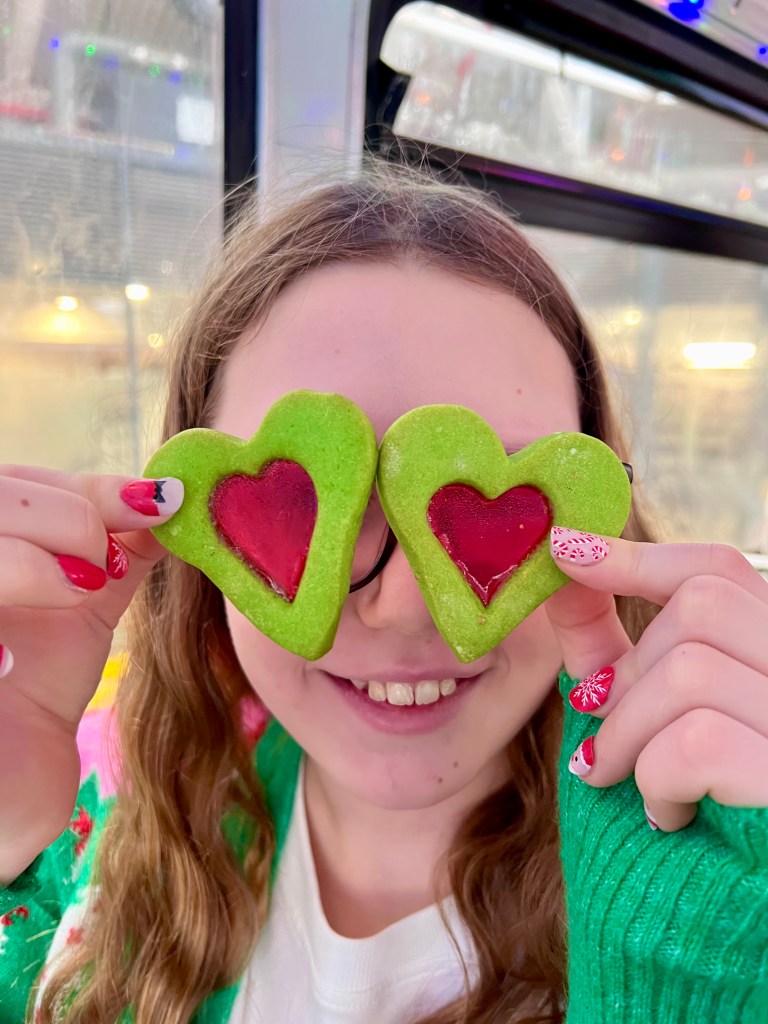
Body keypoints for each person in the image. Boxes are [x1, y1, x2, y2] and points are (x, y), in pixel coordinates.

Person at [0, 160, 766, 1024]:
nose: (407, 608)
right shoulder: (107, 818)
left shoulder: (733, 884)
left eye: (509, 520)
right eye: (312, 508)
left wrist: (685, 985)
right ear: (200, 533)